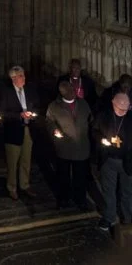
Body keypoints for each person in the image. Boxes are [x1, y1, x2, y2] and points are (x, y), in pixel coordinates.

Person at [46, 81, 92, 210]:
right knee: (63, 176)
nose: (73, 93)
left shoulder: (82, 103)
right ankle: (63, 199)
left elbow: (90, 119)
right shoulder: (54, 106)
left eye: (73, 89)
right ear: (62, 93)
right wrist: (54, 130)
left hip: (81, 147)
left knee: (80, 176)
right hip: (64, 147)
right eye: (69, 91)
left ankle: (80, 199)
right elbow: (49, 122)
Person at [0, 66, 39, 201]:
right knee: (12, 162)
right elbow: (2, 113)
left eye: (24, 75)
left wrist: (32, 114)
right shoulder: (6, 93)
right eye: (21, 76)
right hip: (13, 131)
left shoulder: (29, 90)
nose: (24, 78)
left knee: (26, 160)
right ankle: (12, 187)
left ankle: (24, 184)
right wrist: (19, 115)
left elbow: (35, 105)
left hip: (28, 130)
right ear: (13, 78)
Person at [93, 92, 132, 231]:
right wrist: (101, 139)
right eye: (120, 109)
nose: (123, 112)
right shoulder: (104, 116)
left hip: (127, 161)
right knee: (108, 190)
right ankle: (109, 217)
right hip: (108, 160)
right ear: (113, 103)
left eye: (126, 109)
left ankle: (127, 217)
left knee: (127, 191)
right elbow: (95, 131)